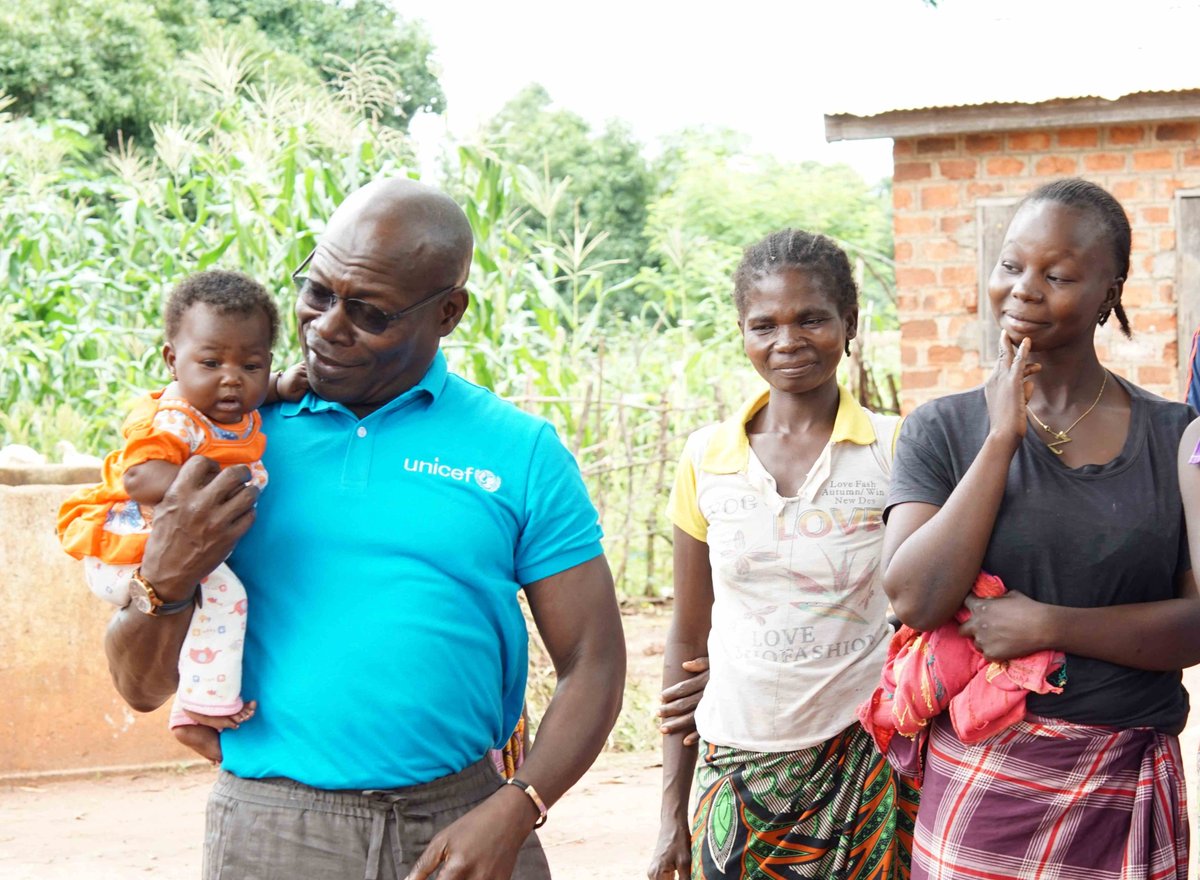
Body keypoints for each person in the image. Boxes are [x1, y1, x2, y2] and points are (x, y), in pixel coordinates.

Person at [100, 178, 627, 880]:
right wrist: (162, 576)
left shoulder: (519, 450)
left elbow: (594, 660)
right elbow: (138, 688)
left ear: (448, 311)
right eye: (317, 292)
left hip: (467, 824)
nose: (326, 327)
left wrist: (517, 806)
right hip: (273, 831)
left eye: (369, 312)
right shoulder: (224, 442)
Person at [882, 177, 1197, 880]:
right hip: (985, 790)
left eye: (1056, 275)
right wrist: (1000, 442)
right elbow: (911, 598)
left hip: (1125, 787)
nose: (1023, 289)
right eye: (1010, 265)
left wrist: (1050, 625)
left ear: (1108, 292)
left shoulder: (1173, 438)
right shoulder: (945, 429)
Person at [647, 229, 919, 880]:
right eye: (763, 324)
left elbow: (924, 609)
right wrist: (669, 817)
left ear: (849, 324)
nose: (787, 341)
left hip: (871, 759)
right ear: (742, 332)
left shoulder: (897, 447)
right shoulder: (707, 458)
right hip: (739, 768)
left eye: (811, 319)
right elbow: (690, 633)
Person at [57, 271, 307, 761]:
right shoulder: (174, 421)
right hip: (134, 552)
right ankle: (203, 709)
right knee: (226, 598)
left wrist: (278, 386)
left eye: (251, 365)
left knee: (206, 614)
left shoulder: (227, 406)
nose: (231, 378)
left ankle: (193, 702)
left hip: (176, 549)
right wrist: (208, 489)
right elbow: (140, 478)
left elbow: (254, 396)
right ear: (173, 361)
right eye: (211, 362)